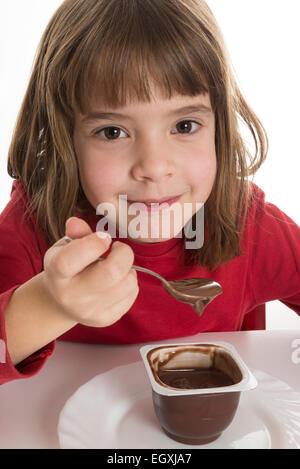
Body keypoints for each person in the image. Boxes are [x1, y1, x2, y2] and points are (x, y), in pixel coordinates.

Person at [0, 0, 299, 386]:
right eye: (113, 132)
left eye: (185, 125)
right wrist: (47, 304)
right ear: (65, 138)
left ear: (220, 128)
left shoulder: (249, 224)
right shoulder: (32, 225)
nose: (155, 167)